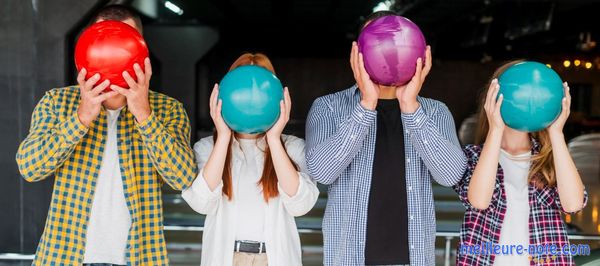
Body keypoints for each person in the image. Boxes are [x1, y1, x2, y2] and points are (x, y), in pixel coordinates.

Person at [15, 5, 197, 265]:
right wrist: (81, 118)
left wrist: (145, 116)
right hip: (63, 257)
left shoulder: (167, 109)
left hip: (139, 257)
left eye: (124, 39)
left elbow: (183, 177)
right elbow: (29, 167)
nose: (114, 49)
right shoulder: (57, 102)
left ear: (142, 50)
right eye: (105, 37)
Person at [305, 11, 467, 265]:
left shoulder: (435, 111)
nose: (386, 49)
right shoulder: (328, 107)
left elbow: (450, 175)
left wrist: (411, 108)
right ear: (356, 53)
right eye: (376, 41)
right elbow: (322, 172)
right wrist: (366, 105)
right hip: (349, 259)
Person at [182, 53, 319, 266]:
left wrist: (274, 138)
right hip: (227, 259)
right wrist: (224, 135)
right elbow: (201, 203)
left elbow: (300, 206)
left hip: (274, 259)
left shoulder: (292, 147)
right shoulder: (208, 148)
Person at [453, 61, 587, 265]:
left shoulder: (550, 159)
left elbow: (574, 204)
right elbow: (479, 200)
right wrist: (495, 129)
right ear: (493, 99)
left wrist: (556, 132)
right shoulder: (473, 156)